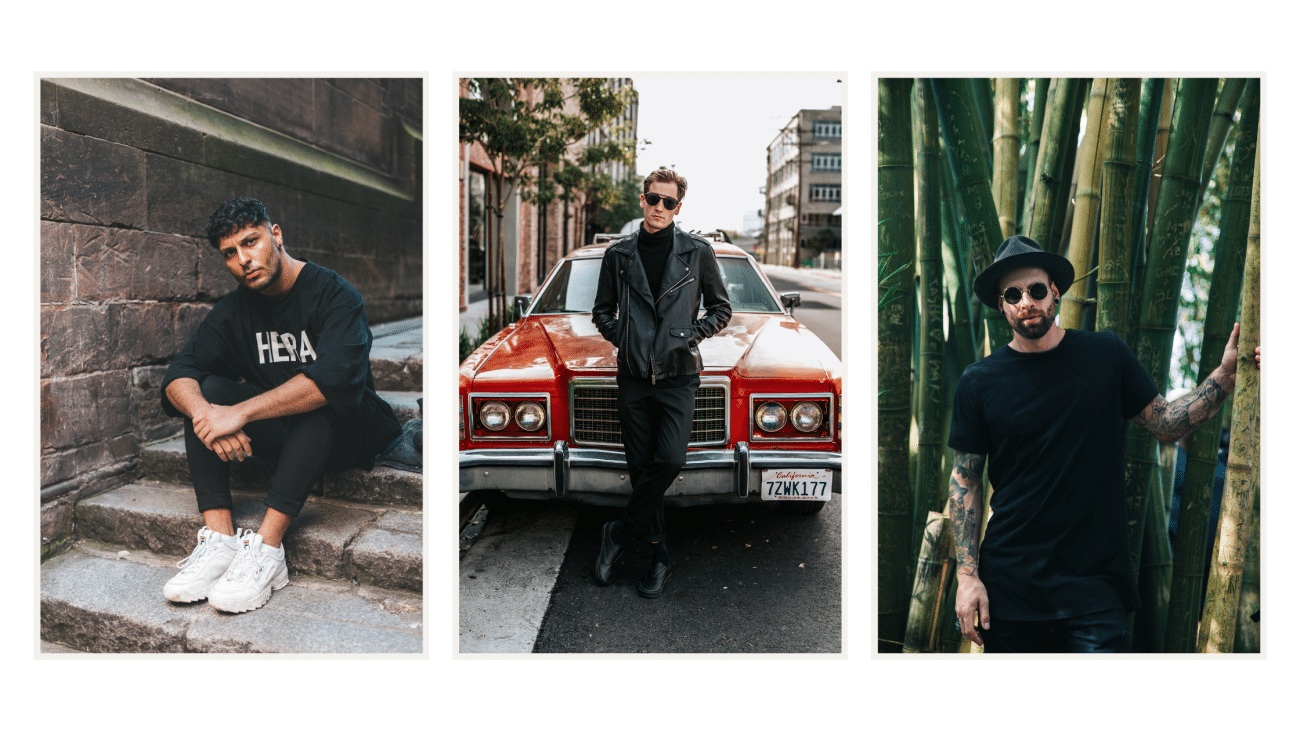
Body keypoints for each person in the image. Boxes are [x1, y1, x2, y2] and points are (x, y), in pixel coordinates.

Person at [947, 235, 1259, 652]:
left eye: (1036, 290)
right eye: (1013, 294)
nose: (1027, 301)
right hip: (1011, 587)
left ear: (1055, 293)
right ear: (1002, 306)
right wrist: (968, 578)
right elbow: (965, 482)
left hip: (1094, 589)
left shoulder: (1105, 355)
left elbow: (1167, 424)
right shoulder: (977, 382)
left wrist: (1222, 380)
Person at [160, 197, 400, 613]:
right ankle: (220, 541)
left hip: (349, 431)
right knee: (204, 392)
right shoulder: (235, 310)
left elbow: (335, 381)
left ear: (276, 234)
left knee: (314, 396)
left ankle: (268, 552)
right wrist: (207, 413)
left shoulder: (335, 294)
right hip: (289, 437)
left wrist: (243, 412)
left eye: (251, 242)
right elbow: (180, 371)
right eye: (230, 253)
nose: (243, 260)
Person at [590, 169, 731, 598]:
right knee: (641, 470)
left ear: (678, 208)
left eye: (668, 202)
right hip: (633, 377)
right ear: (642, 200)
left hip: (678, 376)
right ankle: (658, 557)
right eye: (654, 199)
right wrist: (625, 337)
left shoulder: (698, 253)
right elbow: (602, 311)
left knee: (668, 460)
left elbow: (721, 308)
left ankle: (616, 531)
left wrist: (693, 334)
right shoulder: (619, 255)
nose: (660, 208)